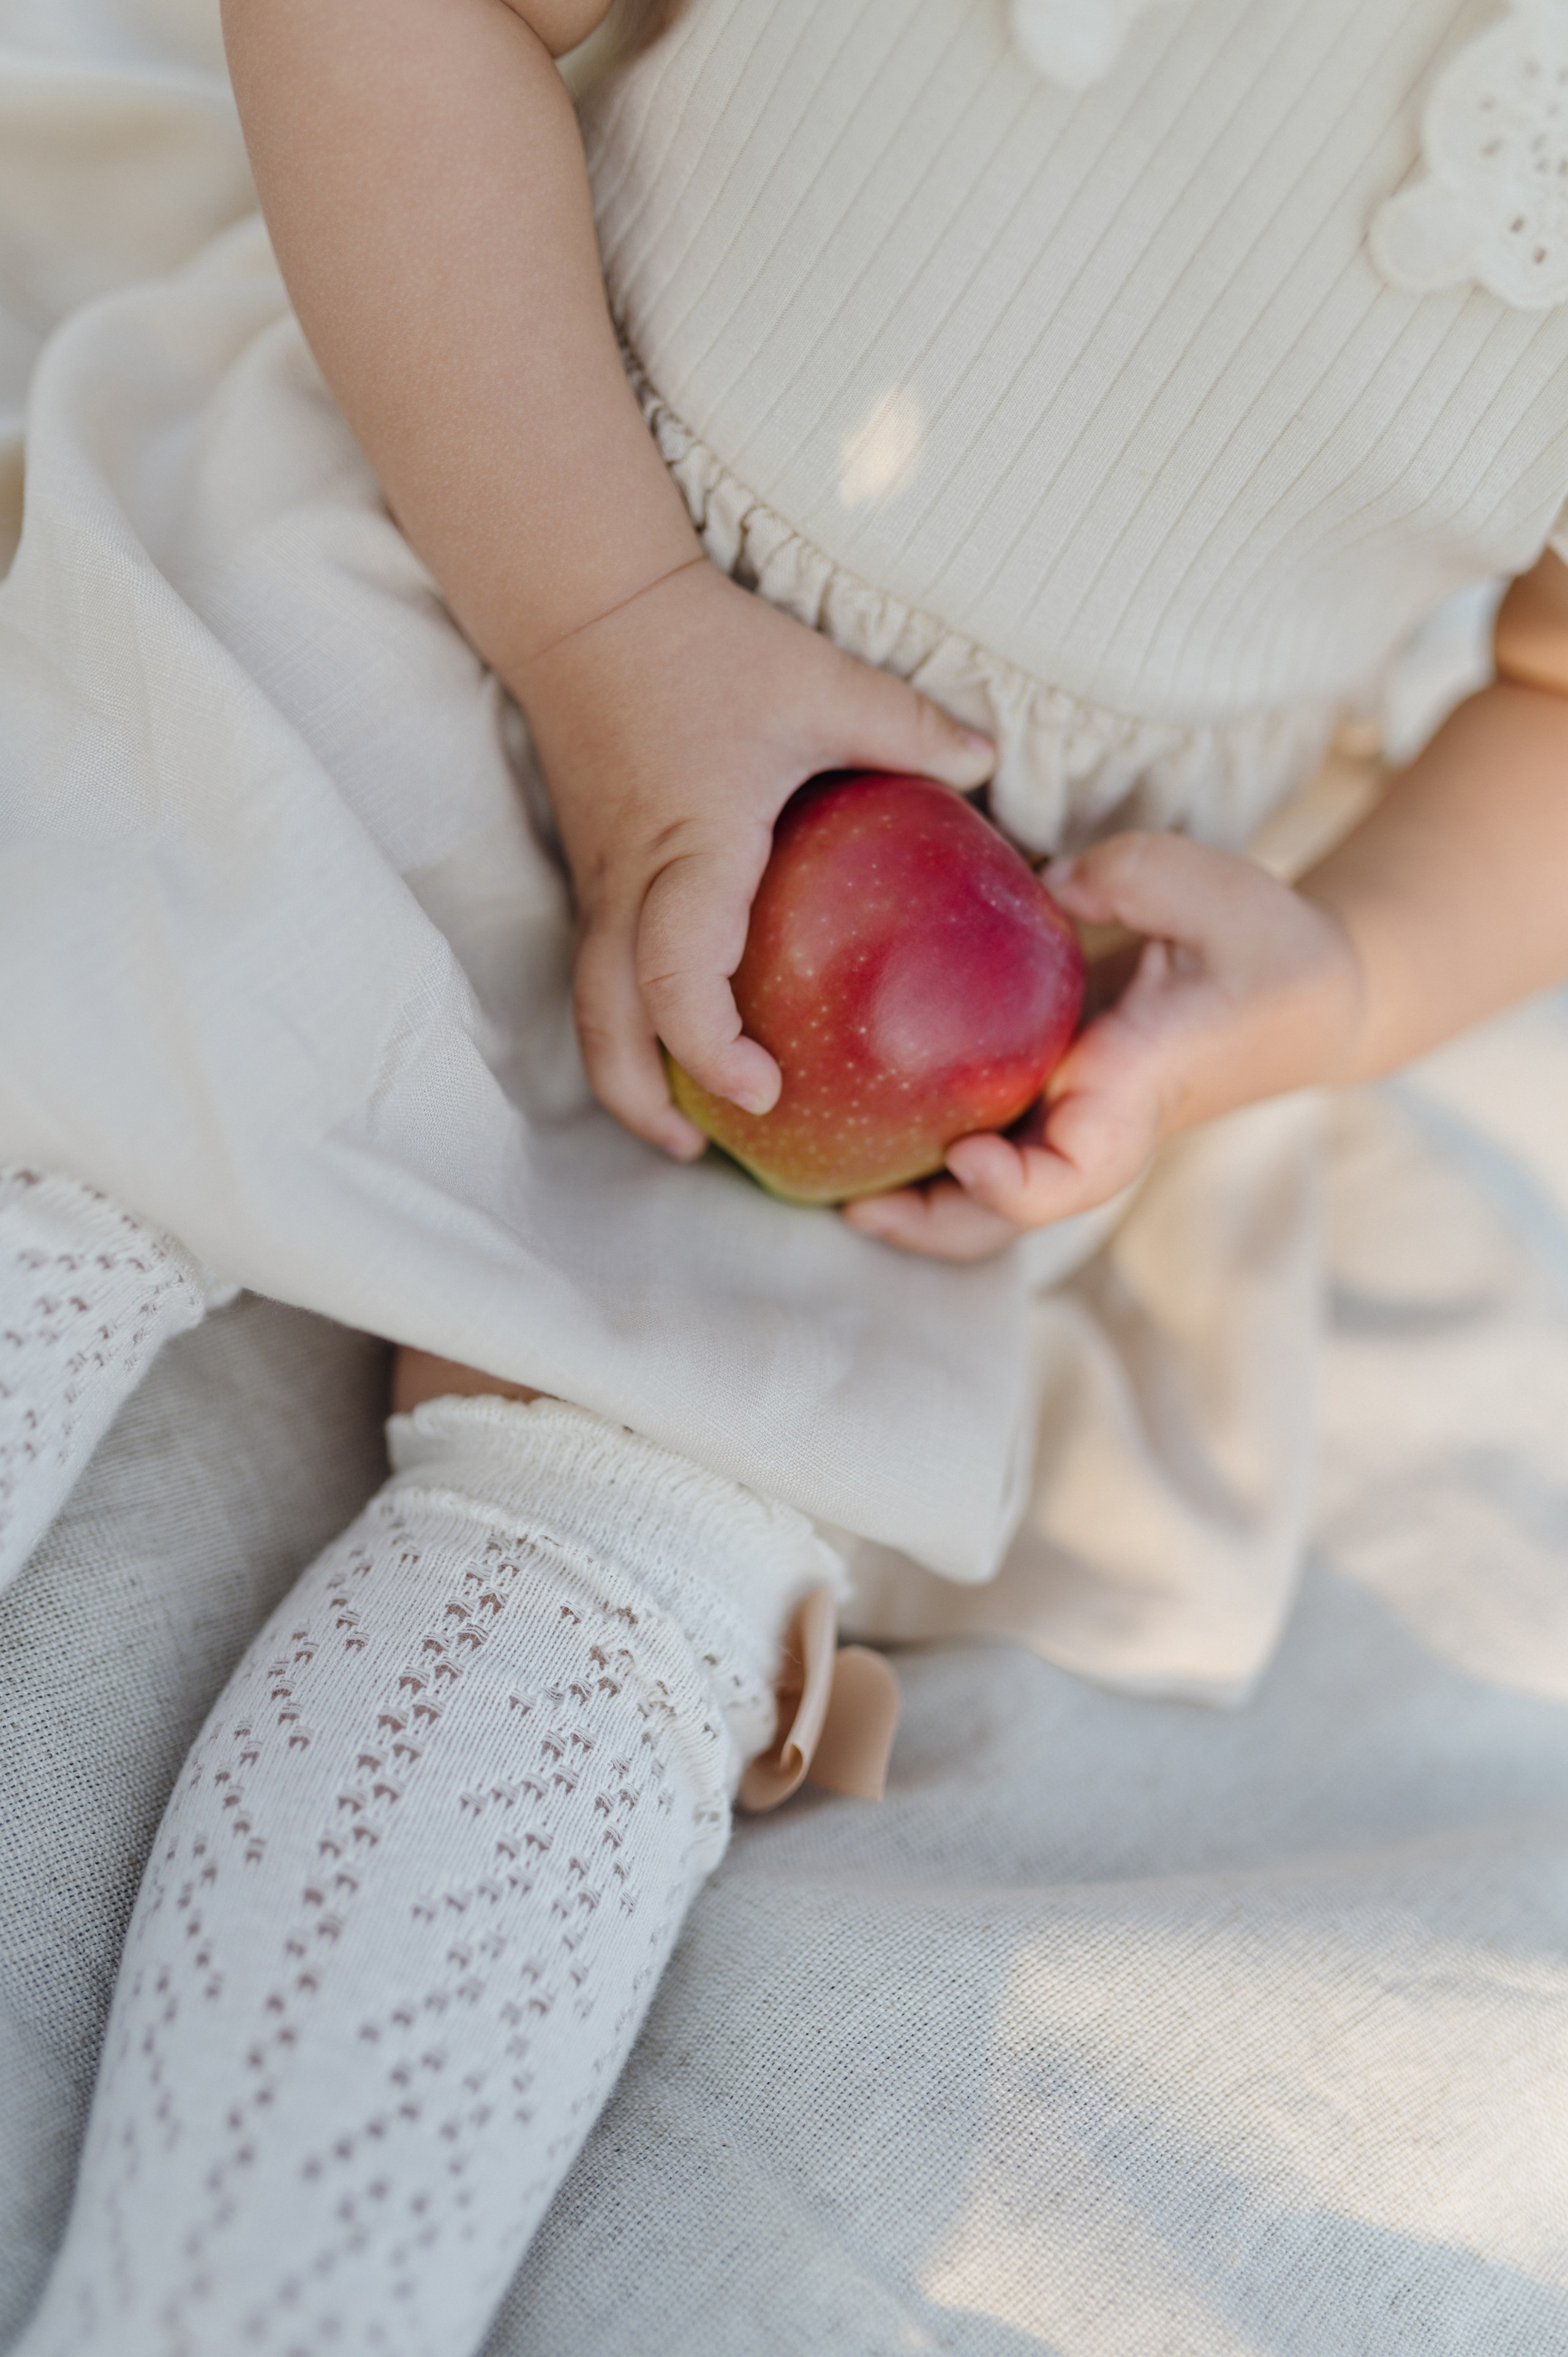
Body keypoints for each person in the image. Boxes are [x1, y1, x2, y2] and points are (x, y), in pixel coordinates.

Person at [7, 0, 1568, 2348]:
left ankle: (247, 2305)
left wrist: (1342, 978)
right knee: (88, 1093)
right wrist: (607, 622)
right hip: (465, 528)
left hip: (973, 975)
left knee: (619, 1572)